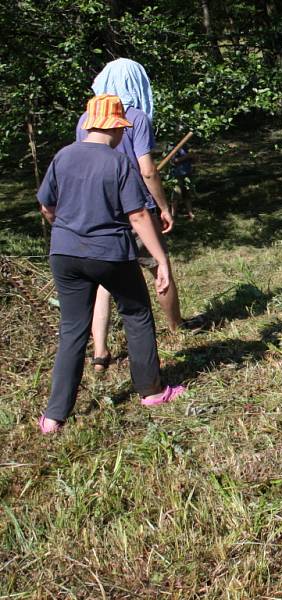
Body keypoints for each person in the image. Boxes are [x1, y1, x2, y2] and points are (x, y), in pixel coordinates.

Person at [37, 95, 185, 434]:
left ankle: (54, 417)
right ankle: (152, 391)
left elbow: (46, 207)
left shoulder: (63, 156)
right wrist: (160, 259)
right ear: (116, 127)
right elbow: (136, 214)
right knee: (136, 313)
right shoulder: (118, 163)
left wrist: (68, 227)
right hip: (109, 255)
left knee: (73, 328)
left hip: (64, 254)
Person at [76, 58, 184, 372]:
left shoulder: (86, 118)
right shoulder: (135, 117)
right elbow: (147, 170)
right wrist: (163, 207)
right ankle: (177, 327)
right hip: (135, 206)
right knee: (159, 268)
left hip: (98, 208)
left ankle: (99, 350)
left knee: (104, 280)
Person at [170, 143, 196, 220]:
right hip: (177, 174)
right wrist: (186, 156)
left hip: (187, 173)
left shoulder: (186, 146)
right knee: (176, 193)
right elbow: (173, 160)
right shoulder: (173, 146)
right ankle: (173, 214)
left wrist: (193, 157)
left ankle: (190, 213)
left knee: (187, 193)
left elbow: (192, 160)